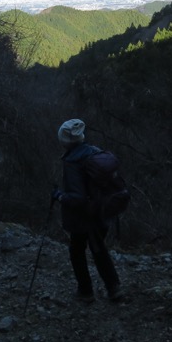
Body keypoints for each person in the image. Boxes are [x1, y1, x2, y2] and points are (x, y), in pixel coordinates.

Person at [51, 118, 122, 302]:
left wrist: (59, 196)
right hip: (102, 210)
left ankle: (86, 291)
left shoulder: (72, 162)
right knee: (98, 248)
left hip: (84, 216)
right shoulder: (95, 152)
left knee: (77, 250)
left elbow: (77, 198)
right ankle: (113, 287)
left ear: (65, 141)